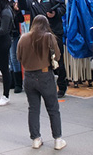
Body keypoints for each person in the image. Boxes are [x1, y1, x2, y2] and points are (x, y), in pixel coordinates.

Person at [17, 16, 66, 150]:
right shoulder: (48, 37)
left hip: (28, 77)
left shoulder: (23, 38)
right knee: (53, 109)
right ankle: (57, 139)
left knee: (33, 108)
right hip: (45, 75)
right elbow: (57, 55)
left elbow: (18, 57)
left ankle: (36, 139)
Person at [17, 0, 68, 98]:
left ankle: (62, 87)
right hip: (38, 35)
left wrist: (55, 14)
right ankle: (45, 86)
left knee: (58, 59)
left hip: (54, 32)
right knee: (42, 59)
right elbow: (23, 6)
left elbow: (63, 8)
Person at [4, 0, 24, 93]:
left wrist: (17, 10)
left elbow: (21, 19)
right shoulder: (1, 7)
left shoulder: (14, 6)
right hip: (5, 36)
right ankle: (11, 82)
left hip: (14, 35)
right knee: (9, 60)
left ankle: (18, 84)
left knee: (14, 58)